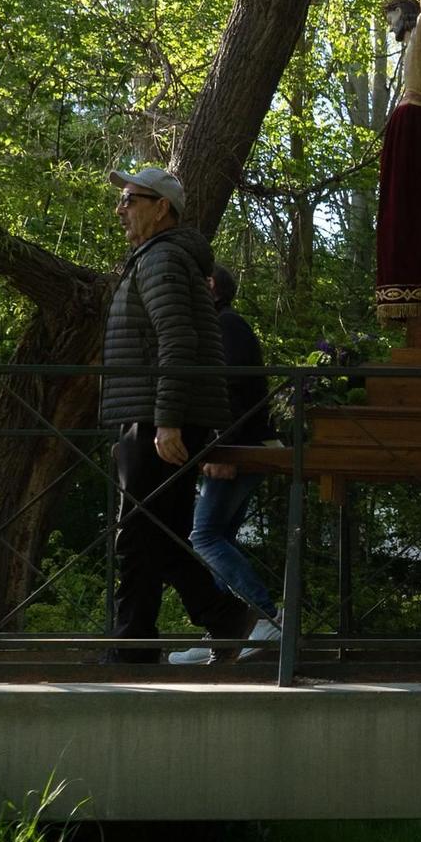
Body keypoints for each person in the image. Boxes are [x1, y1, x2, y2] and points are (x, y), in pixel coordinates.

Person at [101, 166, 254, 662]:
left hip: (159, 416)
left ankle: (133, 646)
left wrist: (163, 422)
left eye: (130, 198)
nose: (121, 208)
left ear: (161, 207)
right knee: (158, 536)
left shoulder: (162, 259)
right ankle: (223, 616)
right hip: (151, 414)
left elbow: (177, 341)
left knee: (136, 534)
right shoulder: (160, 258)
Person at [168, 264, 285, 665]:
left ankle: (269, 617)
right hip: (231, 447)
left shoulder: (228, 325)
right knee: (221, 539)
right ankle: (225, 633)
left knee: (203, 537)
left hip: (240, 448)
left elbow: (236, 390)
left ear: (211, 286)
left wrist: (221, 448)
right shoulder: (219, 326)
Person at [376, 0, 421, 322]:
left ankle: (415, 286)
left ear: (406, 13)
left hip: (414, 114)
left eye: (393, 17)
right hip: (404, 116)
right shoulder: (410, 43)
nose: (391, 26)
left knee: (404, 199)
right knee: (392, 203)